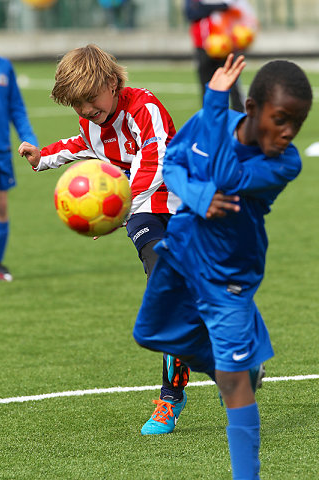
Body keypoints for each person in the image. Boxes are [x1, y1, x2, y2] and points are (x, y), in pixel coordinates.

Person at [18, 44, 239, 434]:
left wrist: (120, 202)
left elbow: (157, 160)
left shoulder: (144, 108)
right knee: (166, 292)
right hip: (145, 215)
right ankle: (172, 396)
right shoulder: (93, 121)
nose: (85, 111)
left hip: (182, 206)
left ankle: (230, 368)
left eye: (89, 100)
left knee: (202, 296)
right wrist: (43, 157)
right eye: (77, 106)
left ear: (111, 81)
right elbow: (83, 145)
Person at [133, 54, 312, 478]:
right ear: (251, 109)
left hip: (229, 277)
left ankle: (245, 468)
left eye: (297, 124)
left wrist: (214, 104)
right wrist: (195, 197)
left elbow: (224, 176)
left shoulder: (284, 163)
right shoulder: (207, 121)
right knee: (149, 333)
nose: (289, 133)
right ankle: (239, 364)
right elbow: (173, 163)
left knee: (233, 387)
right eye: (281, 119)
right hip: (179, 257)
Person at [0, 56, 38, 282]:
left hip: (1, 151)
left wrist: (29, 138)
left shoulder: (5, 67)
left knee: (1, 207)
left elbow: (17, 109)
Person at [184, 0, 247, 111]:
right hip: (203, 47)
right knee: (206, 85)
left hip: (224, 45)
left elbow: (231, 7)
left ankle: (240, 117)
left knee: (232, 83)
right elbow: (191, 13)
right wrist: (217, 6)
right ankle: (209, 117)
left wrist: (206, 7)